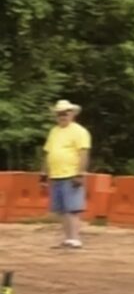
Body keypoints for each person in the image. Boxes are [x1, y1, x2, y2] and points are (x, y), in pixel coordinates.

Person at [44, 99, 91, 249]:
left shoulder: (79, 131)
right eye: (59, 113)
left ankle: (75, 238)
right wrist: (44, 173)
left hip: (70, 174)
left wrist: (80, 173)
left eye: (65, 113)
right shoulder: (54, 131)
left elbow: (83, 153)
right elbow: (48, 153)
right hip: (56, 175)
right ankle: (68, 238)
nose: (62, 116)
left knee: (72, 208)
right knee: (61, 209)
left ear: (72, 114)